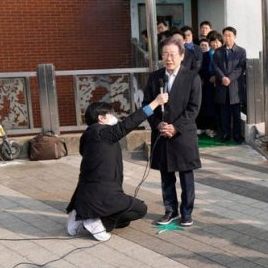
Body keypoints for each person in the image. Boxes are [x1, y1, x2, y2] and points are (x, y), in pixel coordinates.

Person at [66, 93, 169, 241]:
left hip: (85, 194)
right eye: (110, 114)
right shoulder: (103, 133)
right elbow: (129, 123)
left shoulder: (88, 135)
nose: (114, 117)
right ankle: (94, 221)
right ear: (101, 118)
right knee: (140, 209)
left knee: (124, 221)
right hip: (102, 193)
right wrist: (156, 102)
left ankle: (80, 215)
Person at [143, 37, 202, 227]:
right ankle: (170, 210)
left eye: (173, 54)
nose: (169, 58)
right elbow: (146, 105)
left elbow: (193, 108)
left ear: (182, 56)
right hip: (161, 134)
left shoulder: (192, 77)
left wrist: (175, 127)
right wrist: (158, 124)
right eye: (165, 54)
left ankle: (187, 213)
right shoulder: (155, 77)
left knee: (186, 176)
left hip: (183, 134)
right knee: (165, 175)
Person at [213, 26, 247, 143]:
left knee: (236, 114)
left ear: (235, 36)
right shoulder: (218, 51)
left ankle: (237, 135)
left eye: (229, 35)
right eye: (225, 35)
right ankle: (225, 134)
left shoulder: (241, 51)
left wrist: (229, 78)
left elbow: (240, 68)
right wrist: (222, 77)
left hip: (235, 87)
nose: (227, 38)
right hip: (222, 86)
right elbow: (215, 66)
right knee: (224, 113)